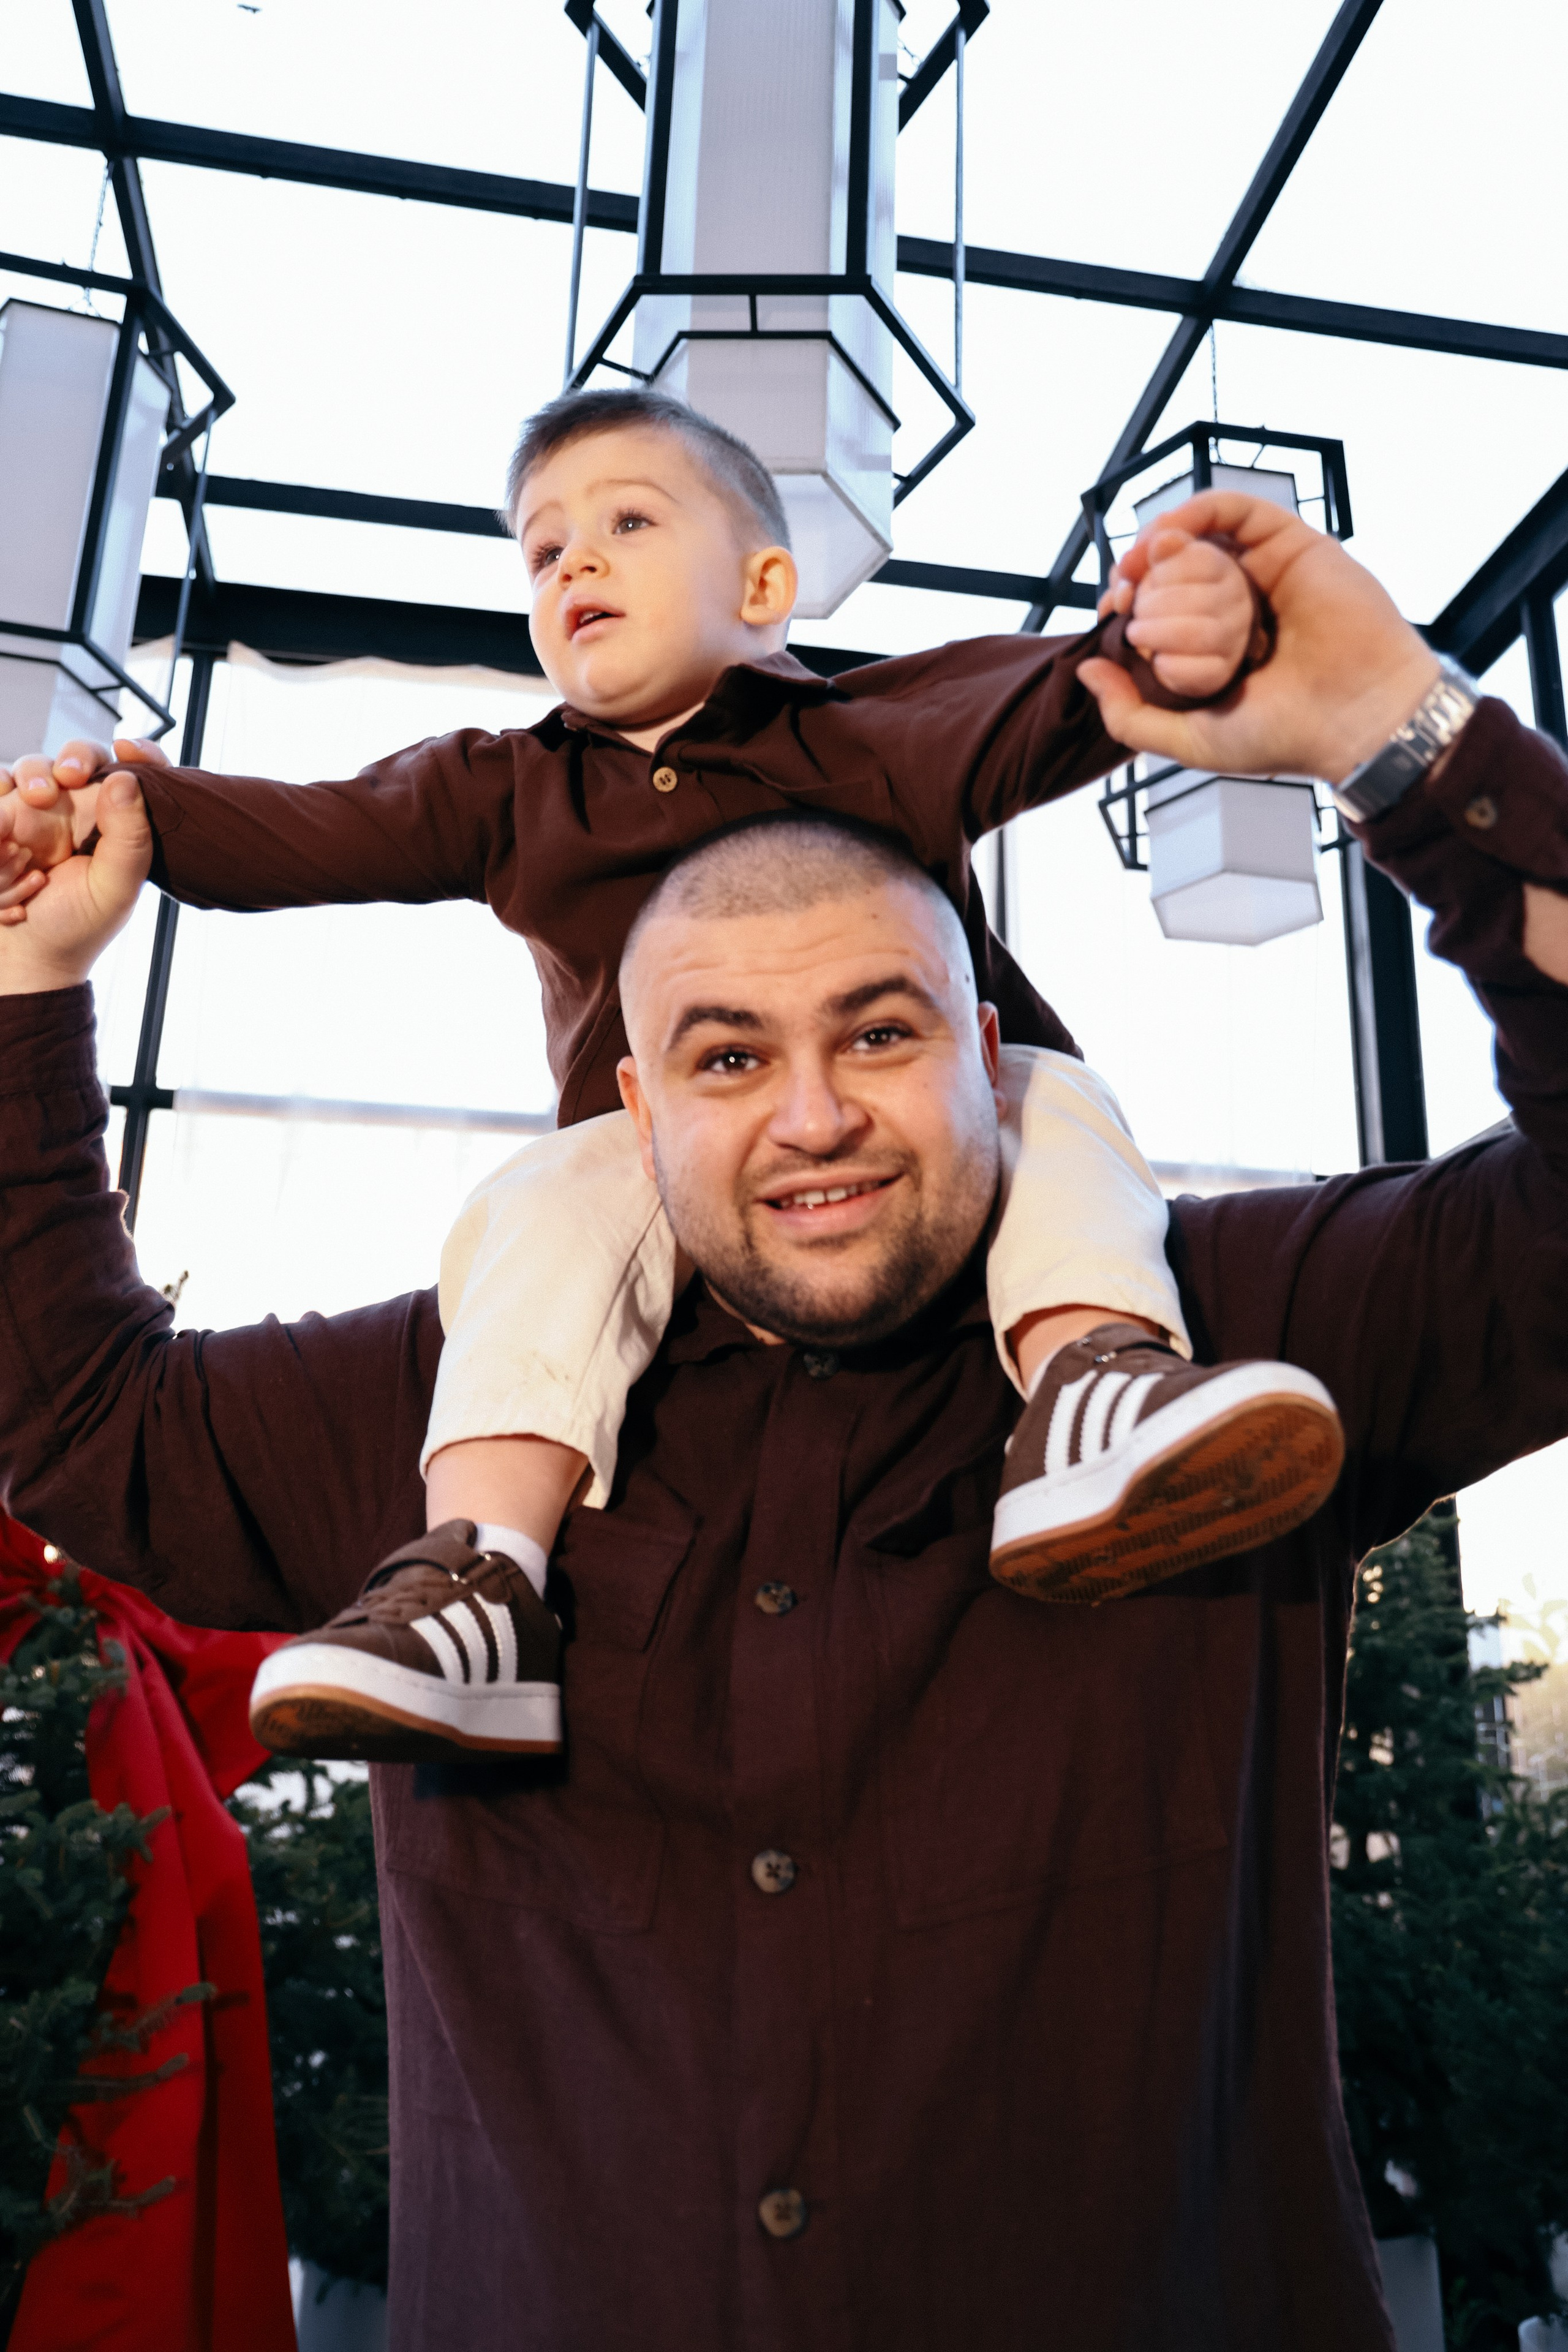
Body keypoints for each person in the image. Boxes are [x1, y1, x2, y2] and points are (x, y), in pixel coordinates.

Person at [2, 488, 1567, 2350]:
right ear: (635, 1107)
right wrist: (33, 981)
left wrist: (1411, 742)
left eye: (883, 1033)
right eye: (730, 1056)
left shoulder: (1231, 1343)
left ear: (994, 1056)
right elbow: (79, 1420)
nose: (811, 1114)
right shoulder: (457, 1402)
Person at [0, 389, 1338, 1766]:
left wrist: (1163, 641)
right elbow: (328, 829)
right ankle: (478, 1582)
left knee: (1047, 1097)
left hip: (942, 1150)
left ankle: (1092, 1387)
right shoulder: (507, 789)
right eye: (542, 550)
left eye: (626, 523)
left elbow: (1028, 704)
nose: (573, 562)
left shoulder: (853, 738)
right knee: (546, 1195)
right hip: (650, 1175)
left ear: (764, 585)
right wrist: (137, 817)